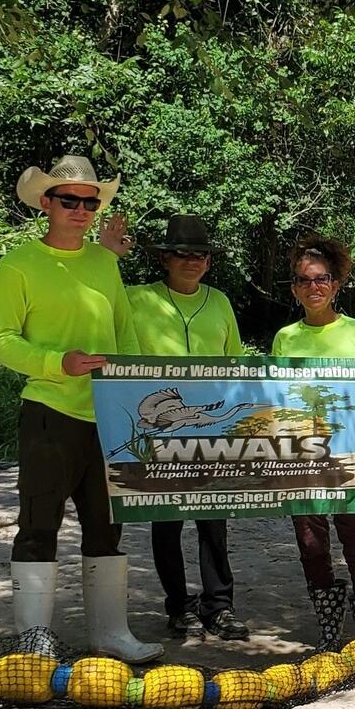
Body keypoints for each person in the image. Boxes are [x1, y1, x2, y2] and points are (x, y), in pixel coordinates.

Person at [0, 155, 161, 662]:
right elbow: (1, 341)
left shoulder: (104, 263)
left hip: (110, 416)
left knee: (108, 525)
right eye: (70, 200)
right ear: (46, 203)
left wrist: (136, 387)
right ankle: (34, 635)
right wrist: (57, 362)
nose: (82, 209)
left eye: (91, 201)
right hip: (49, 411)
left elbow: (125, 333)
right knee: (39, 523)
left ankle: (110, 633)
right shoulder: (18, 263)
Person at [121, 215, 252, 642]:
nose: (192, 261)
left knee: (214, 521)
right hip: (160, 433)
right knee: (167, 521)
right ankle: (178, 607)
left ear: (210, 261)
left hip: (209, 434)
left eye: (201, 254)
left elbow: (236, 365)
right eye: (182, 253)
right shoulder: (136, 299)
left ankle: (220, 606)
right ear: (164, 259)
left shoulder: (220, 302)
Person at [270, 235, 355, 649]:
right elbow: (276, 400)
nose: (314, 287)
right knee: (311, 546)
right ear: (295, 289)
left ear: (336, 285)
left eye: (322, 279)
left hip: (352, 459)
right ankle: (329, 625)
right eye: (305, 281)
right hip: (302, 460)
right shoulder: (285, 339)